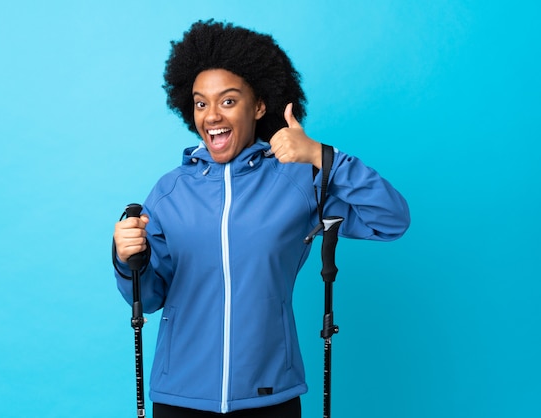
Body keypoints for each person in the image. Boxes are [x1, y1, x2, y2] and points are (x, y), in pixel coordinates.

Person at [113, 20, 410, 418]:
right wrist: (128, 258)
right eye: (201, 103)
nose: (212, 116)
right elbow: (148, 297)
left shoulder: (298, 181)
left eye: (229, 101)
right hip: (180, 397)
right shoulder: (170, 191)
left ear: (259, 105)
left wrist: (325, 158)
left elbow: (390, 219)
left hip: (271, 394)